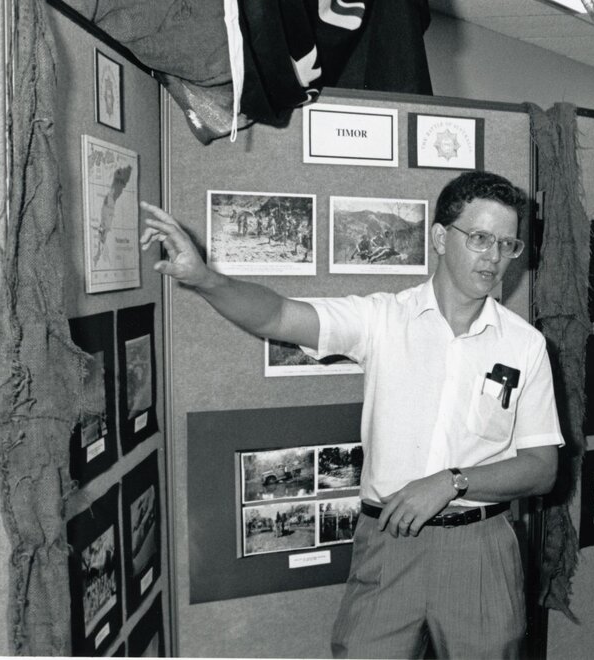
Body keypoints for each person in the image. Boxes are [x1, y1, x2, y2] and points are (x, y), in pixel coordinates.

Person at [139, 171, 564, 659]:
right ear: (441, 238)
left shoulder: (525, 345)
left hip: (480, 549)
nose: (493, 256)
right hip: (389, 541)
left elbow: (541, 467)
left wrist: (452, 482)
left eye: (507, 244)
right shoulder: (383, 319)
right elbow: (278, 315)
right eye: (481, 238)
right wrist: (205, 279)